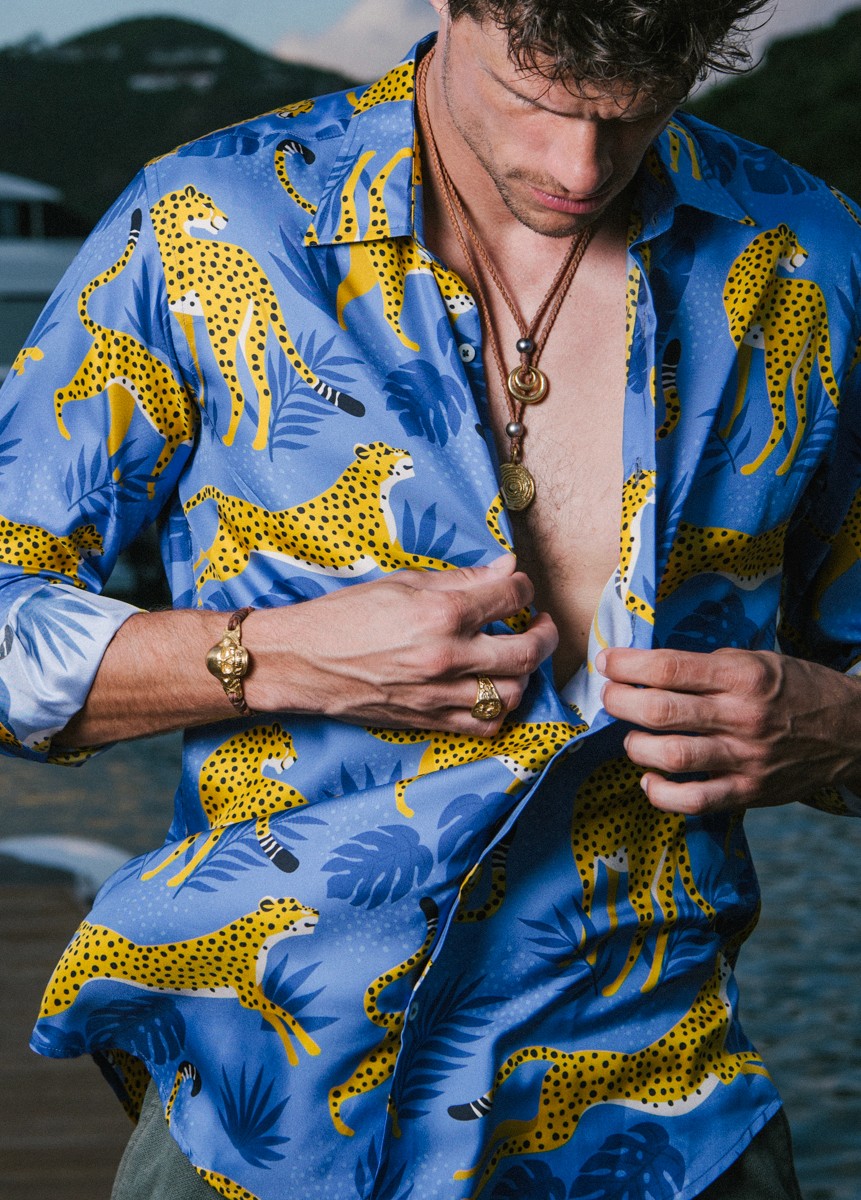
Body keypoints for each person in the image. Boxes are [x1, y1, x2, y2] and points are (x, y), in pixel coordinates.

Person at [2, 1, 860, 1196]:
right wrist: (270, 659)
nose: (580, 168)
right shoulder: (211, 223)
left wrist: (839, 728)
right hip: (267, 1119)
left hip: (666, 1119)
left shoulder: (815, 259)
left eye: (633, 116)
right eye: (540, 98)